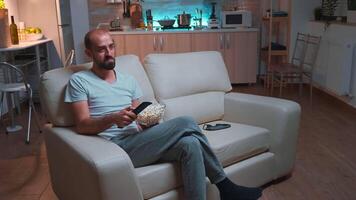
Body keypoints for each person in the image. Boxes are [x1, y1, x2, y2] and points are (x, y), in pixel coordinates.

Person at [64, 29, 262, 200]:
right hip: (115, 148)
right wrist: (112, 119)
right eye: (101, 49)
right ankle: (225, 186)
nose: (109, 53)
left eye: (111, 46)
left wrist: (149, 118)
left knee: (190, 143)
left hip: (139, 140)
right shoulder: (79, 81)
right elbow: (82, 124)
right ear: (88, 53)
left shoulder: (128, 80)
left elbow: (140, 117)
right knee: (187, 122)